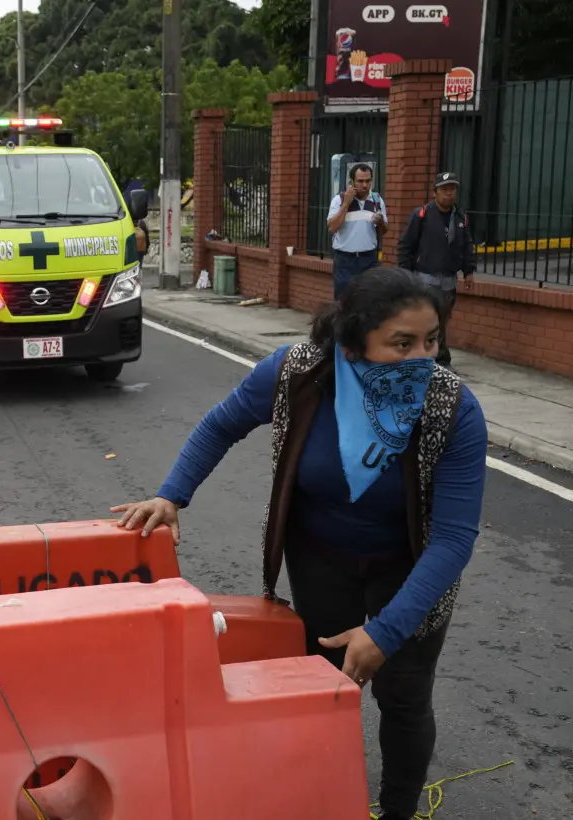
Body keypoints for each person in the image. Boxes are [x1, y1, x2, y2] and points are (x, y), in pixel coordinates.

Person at [111, 267, 487, 820]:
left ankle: (399, 809)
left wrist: (386, 629)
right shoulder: (295, 374)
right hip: (321, 558)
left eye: (431, 341)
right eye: (401, 343)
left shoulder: (452, 408)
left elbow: (453, 539)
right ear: (354, 340)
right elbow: (222, 424)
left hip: (412, 569)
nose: (421, 359)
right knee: (318, 682)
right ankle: (317, 797)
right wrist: (172, 495)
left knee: (404, 696)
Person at [397, 172, 476, 369]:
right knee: (429, 319)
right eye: (444, 189)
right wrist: (406, 275)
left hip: (449, 279)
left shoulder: (460, 217)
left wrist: (468, 271)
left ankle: (435, 358)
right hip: (426, 278)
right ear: (435, 192)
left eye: (452, 189)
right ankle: (437, 359)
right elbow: (406, 246)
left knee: (441, 320)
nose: (449, 194)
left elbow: (467, 245)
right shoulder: (422, 215)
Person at [328, 162, 387, 298]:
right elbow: (332, 227)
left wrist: (381, 222)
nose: (365, 185)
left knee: (368, 300)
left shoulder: (377, 200)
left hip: (369, 259)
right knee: (344, 301)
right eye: (360, 181)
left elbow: (384, 231)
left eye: (368, 181)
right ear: (352, 182)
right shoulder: (339, 199)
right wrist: (346, 204)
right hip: (345, 260)